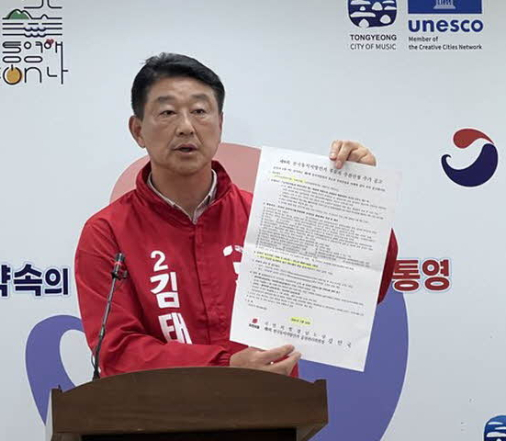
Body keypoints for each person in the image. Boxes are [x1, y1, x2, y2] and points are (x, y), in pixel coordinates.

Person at [75, 53, 398, 378]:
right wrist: (225, 368)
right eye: (167, 112)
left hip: (273, 404)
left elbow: (357, 293)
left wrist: (359, 200)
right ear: (138, 130)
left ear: (220, 124)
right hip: (160, 409)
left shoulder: (269, 215)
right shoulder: (107, 232)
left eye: (200, 111)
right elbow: (117, 351)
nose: (186, 127)